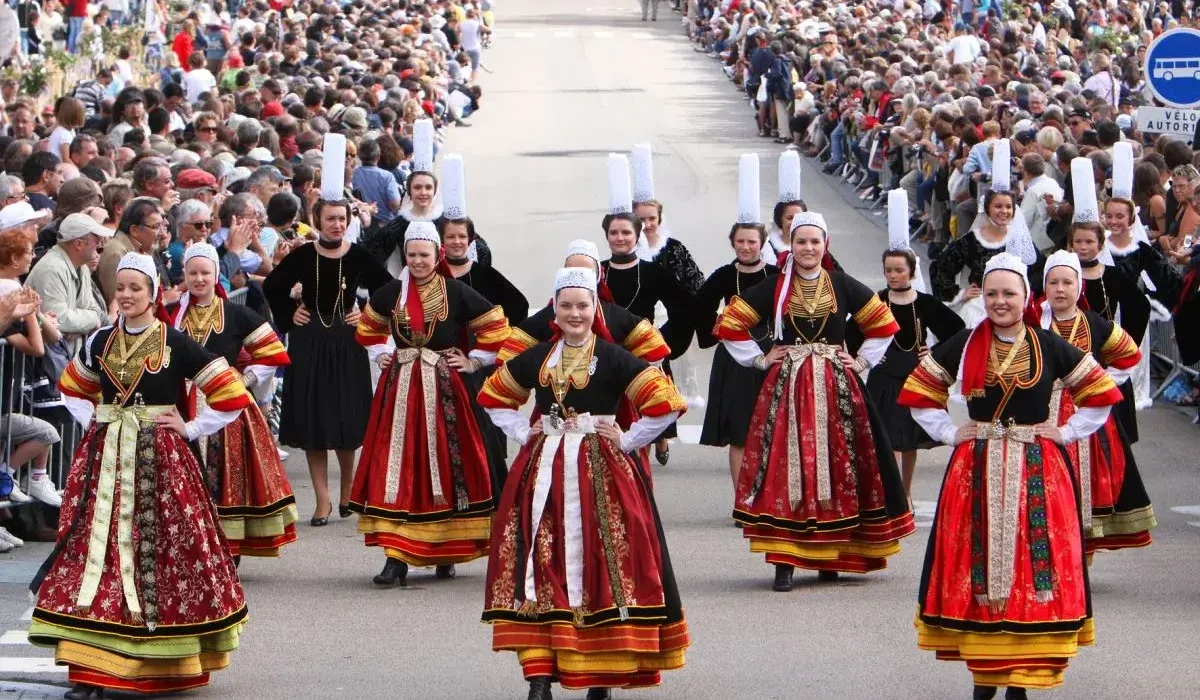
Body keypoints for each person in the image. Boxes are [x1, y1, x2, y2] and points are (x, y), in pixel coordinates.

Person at [899, 253, 1123, 700]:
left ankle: (1020, 678)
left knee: (1034, 559)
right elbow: (921, 390)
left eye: (1009, 293)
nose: (1000, 302)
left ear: (1026, 297)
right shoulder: (964, 343)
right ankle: (985, 677)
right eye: (992, 293)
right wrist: (949, 431)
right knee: (976, 561)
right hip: (976, 469)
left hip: (1037, 467)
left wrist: (1064, 431)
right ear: (983, 296)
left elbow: (1101, 393)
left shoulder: (1049, 344)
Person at [28, 252, 252, 699]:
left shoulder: (175, 341)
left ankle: (152, 662)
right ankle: (89, 670)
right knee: (96, 554)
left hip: (161, 466)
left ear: (153, 294)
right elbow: (73, 387)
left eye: (136, 288)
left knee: (157, 555)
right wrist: (97, 417)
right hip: (104, 461)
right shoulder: (99, 340)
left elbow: (230, 393)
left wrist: (190, 427)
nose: (127, 295)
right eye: (122, 288)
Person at [478, 266, 689, 700]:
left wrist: (628, 439)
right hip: (543, 472)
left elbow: (666, 403)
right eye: (566, 305)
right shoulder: (538, 357)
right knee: (541, 561)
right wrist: (524, 431)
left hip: (601, 470)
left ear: (596, 308)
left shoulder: (613, 357)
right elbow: (494, 396)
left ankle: (602, 675)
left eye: (583, 305)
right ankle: (539, 675)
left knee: (604, 563)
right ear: (554, 310)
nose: (575, 313)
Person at [715, 211, 914, 592]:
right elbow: (729, 323)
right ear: (790, 244)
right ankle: (785, 560)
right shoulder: (775, 286)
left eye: (814, 242)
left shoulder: (841, 284)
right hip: (788, 386)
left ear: (826, 246)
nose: (808, 248)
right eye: (801, 241)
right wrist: (760, 357)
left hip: (836, 385)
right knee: (787, 467)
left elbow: (884, 324)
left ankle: (831, 556)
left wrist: (861, 361)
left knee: (840, 464)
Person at [350, 221, 510, 586]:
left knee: (447, 464)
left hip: (444, 390)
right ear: (404, 255)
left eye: (424, 254)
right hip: (400, 389)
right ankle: (396, 557)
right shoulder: (391, 292)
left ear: (437, 254)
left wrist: (474, 361)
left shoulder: (456, 292)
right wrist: (381, 355)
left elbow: (498, 329)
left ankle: (446, 549)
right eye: (411, 254)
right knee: (398, 466)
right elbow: (367, 329)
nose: (418, 261)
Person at [263, 192, 391, 527]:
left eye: (342, 219)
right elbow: (273, 287)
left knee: (345, 419)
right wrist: (292, 315)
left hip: (347, 344)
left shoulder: (359, 255)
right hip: (309, 344)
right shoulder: (303, 255)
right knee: (312, 421)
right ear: (317, 220)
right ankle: (322, 500)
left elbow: (389, 289)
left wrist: (366, 317)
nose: (337, 224)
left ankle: (348, 487)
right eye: (331, 218)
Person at [171, 243, 297, 561]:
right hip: (181, 404)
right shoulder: (173, 315)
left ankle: (228, 545)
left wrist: (246, 380)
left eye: (205, 272)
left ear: (217, 275)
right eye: (193, 273)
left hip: (224, 405)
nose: (199, 279)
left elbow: (272, 351)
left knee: (226, 475)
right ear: (184, 275)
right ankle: (191, 543)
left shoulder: (236, 313)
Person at [1036, 251, 1155, 556]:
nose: (1060, 289)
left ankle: (1080, 554)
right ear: (1045, 286)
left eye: (1067, 282)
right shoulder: (1033, 320)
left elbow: (1129, 355)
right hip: (1041, 415)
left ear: (1080, 286)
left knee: (1087, 480)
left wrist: (1101, 383)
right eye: (1054, 282)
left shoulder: (1093, 322)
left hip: (1086, 416)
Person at [855, 192, 964, 499]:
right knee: (885, 439)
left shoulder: (925, 303)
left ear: (911, 272)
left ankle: (905, 492)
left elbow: (956, 330)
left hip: (914, 376)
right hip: (884, 376)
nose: (893, 275)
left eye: (899, 270)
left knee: (908, 440)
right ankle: (887, 493)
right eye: (889, 270)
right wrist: (862, 356)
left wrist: (934, 354)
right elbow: (853, 331)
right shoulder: (876, 300)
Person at [600, 154, 693, 466]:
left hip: (643, 353)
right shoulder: (597, 272)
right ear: (607, 237)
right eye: (614, 233)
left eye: (627, 233)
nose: (621, 238)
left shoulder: (653, 273)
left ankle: (642, 470)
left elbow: (683, 310)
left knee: (646, 417)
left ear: (637, 234)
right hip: (605, 354)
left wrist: (662, 343)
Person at [696, 157, 779, 486]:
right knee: (740, 432)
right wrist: (717, 328)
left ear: (761, 244)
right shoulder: (721, 277)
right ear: (733, 243)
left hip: (772, 353)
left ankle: (770, 496)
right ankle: (742, 496)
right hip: (734, 357)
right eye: (741, 241)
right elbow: (700, 308)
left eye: (752, 241)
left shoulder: (776, 275)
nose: (746, 246)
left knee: (774, 428)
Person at [23, 209, 112, 357]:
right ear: (78, 244)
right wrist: (91, 321)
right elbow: (60, 319)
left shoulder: (82, 267)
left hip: (71, 357)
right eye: (96, 238)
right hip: (47, 364)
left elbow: (96, 311)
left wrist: (82, 323)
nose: (99, 242)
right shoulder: (51, 268)